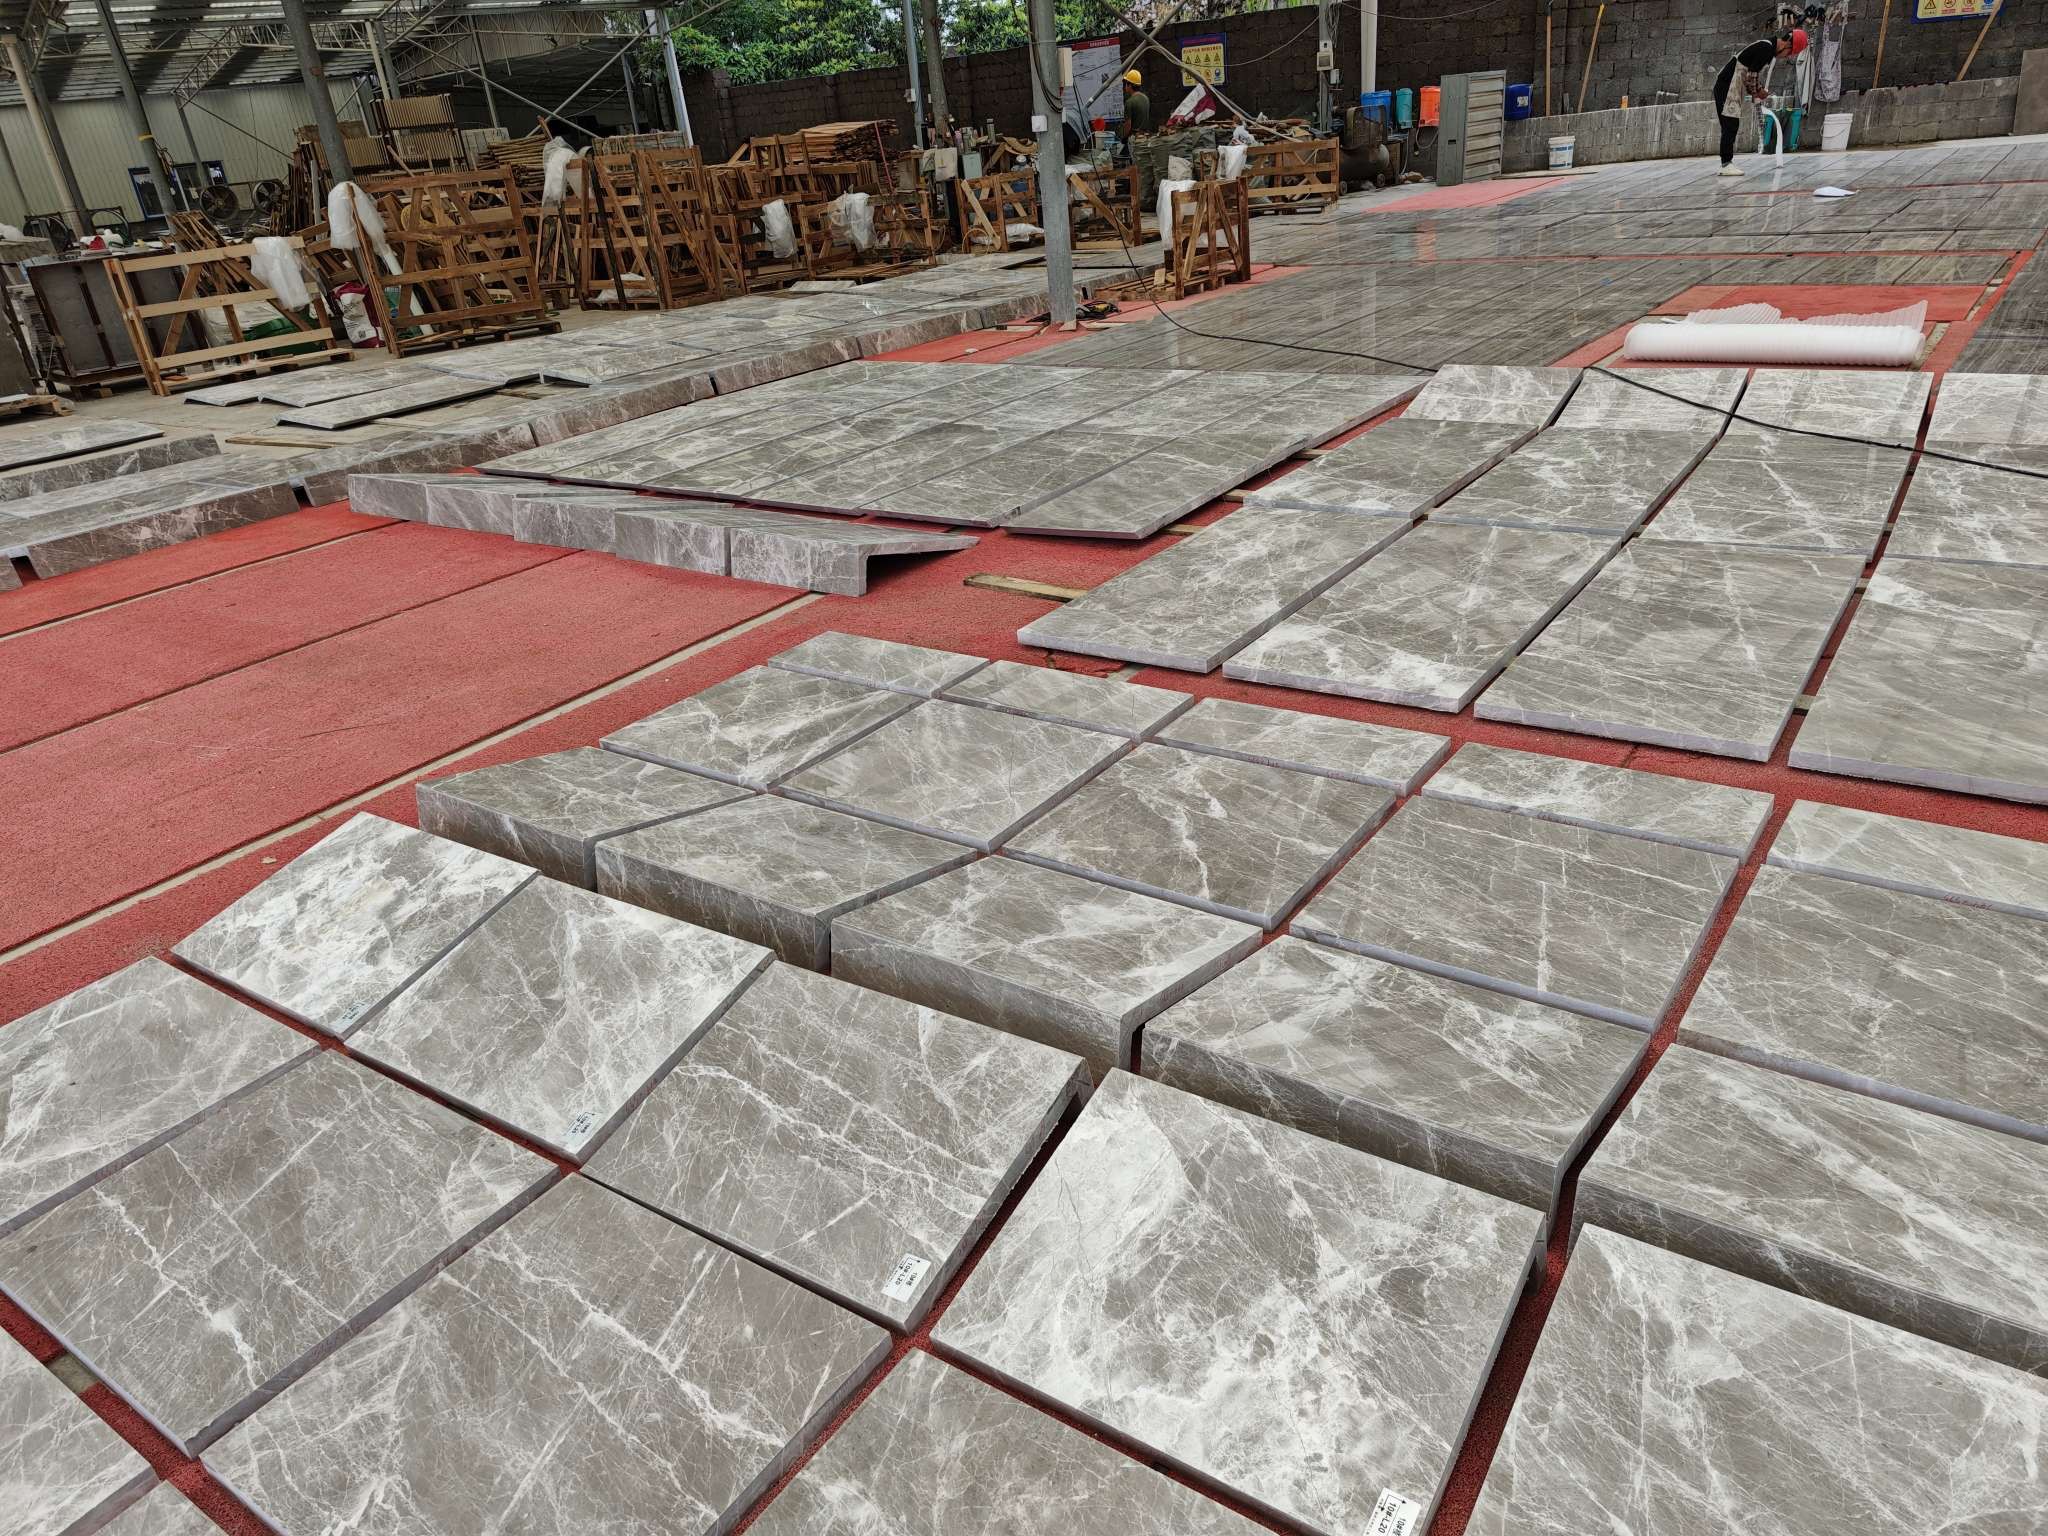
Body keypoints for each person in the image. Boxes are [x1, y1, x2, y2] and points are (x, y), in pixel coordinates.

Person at [1714, 29, 1806, 176]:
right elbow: (1751, 76)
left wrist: (1757, 90)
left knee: (1730, 123)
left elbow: (1751, 73)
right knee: (1730, 123)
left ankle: (1726, 163)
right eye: (1788, 53)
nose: (1785, 57)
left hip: (1732, 84)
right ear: (1787, 44)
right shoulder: (1766, 49)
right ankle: (1726, 164)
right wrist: (1758, 91)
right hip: (1728, 84)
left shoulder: (1766, 46)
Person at [1122, 69, 1152, 143]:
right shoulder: (1146, 98)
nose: (1125, 86)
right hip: (1145, 137)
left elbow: (1128, 125)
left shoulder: (1129, 102)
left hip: (1135, 139)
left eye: (1126, 84)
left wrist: (1124, 137)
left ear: (1130, 85)